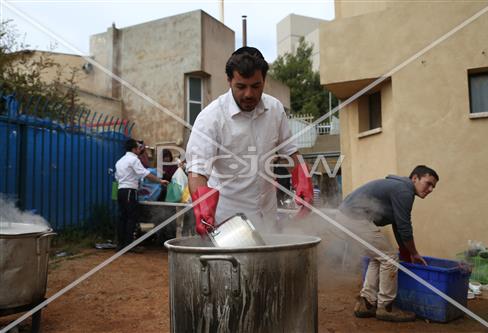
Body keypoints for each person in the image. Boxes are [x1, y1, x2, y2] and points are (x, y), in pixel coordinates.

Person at [185, 46, 313, 236]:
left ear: (264, 81)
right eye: (241, 86)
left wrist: (302, 177)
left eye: (256, 86)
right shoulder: (210, 119)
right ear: (229, 81)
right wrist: (202, 206)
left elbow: (290, 151)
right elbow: (197, 172)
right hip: (227, 225)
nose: (249, 94)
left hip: (268, 219)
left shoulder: (275, 109)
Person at [339, 165, 439, 322]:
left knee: (378, 257)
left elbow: (398, 225)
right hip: (355, 218)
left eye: (433, 186)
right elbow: (404, 227)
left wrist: (406, 252)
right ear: (415, 178)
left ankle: (367, 303)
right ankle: (386, 307)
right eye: (428, 183)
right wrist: (413, 253)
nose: (431, 189)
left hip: (347, 217)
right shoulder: (404, 191)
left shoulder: (400, 188)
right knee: (389, 257)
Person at [115, 138, 168, 250]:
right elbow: (145, 174)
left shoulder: (120, 161)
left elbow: (117, 177)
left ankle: (121, 244)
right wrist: (160, 181)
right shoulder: (134, 160)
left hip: (121, 190)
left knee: (122, 217)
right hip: (130, 191)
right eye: (138, 148)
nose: (140, 149)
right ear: (134, 149)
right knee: (131, 217)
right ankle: (129, 245)